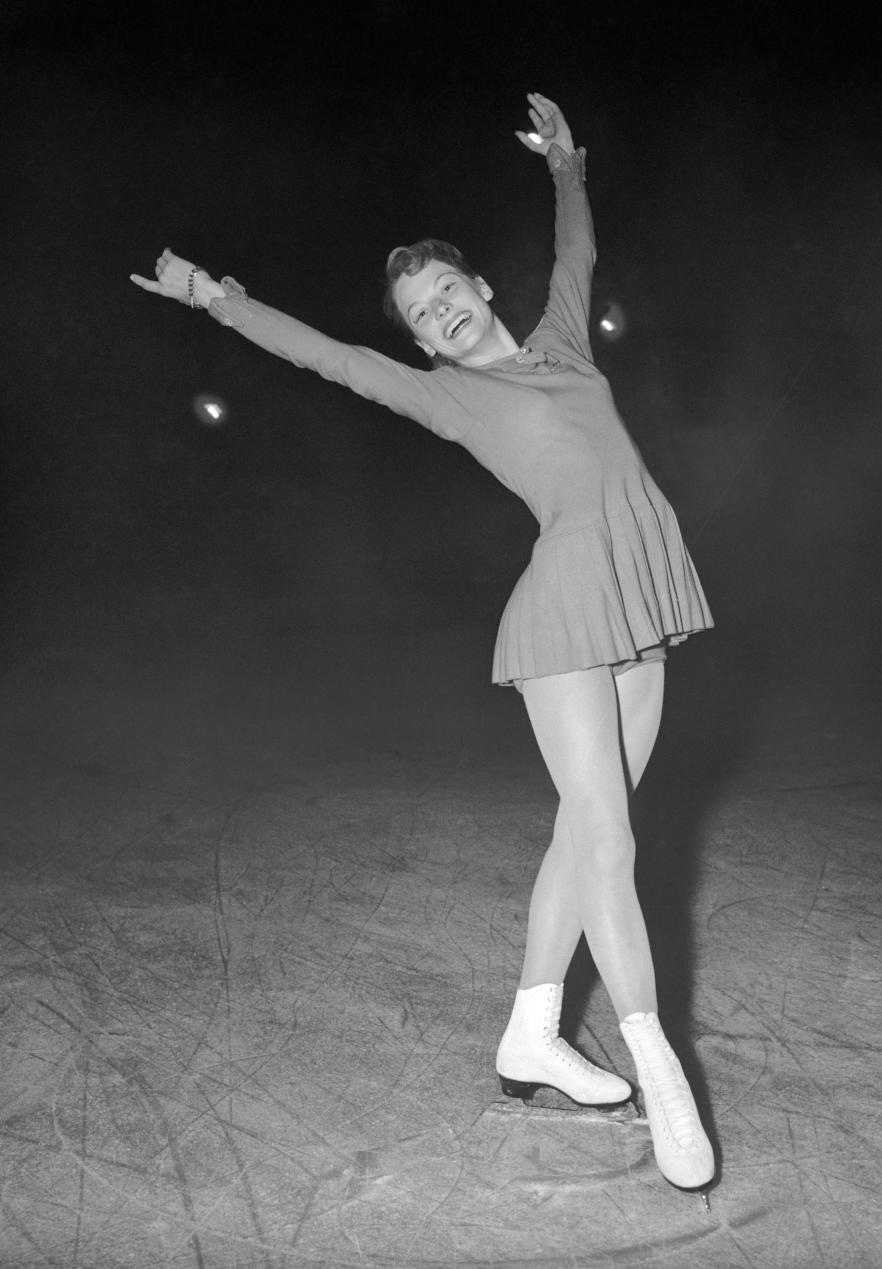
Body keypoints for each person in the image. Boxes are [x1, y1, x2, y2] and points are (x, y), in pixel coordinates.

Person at [131, 93, 716, 1191]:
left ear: (481, 289)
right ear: (421, 341)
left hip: (641, 594)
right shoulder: (449, 399)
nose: (437, 314)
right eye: (419, 314)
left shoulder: (560, 346)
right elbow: (330, 359)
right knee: (611, 846)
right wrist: (217, 299)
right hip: (563, 614)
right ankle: (658, 1061)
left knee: (591, 833)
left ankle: (532, 1032)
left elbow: (576, 246)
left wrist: (566, 167)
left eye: (446, 291)